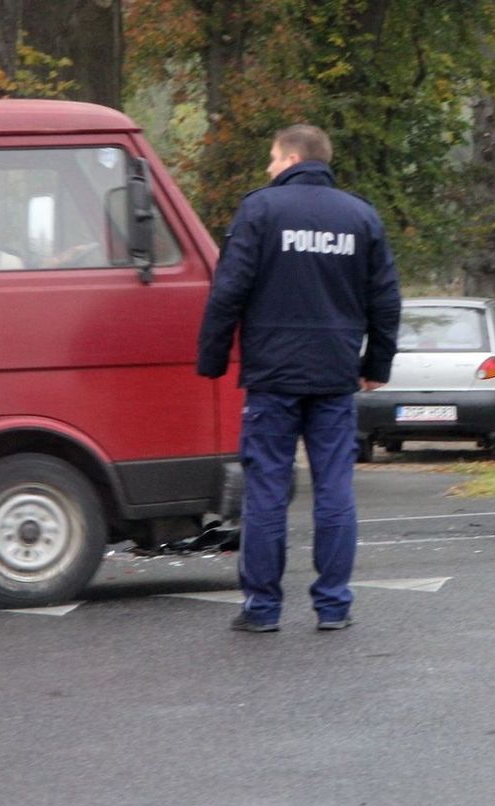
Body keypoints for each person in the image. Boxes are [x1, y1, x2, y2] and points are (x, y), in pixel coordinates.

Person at [197, 124, 401, 633]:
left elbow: (229, 291)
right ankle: (333, 607)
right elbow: (386, 298)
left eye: (271, 159)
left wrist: (213, 359)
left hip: (272, 376)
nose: (267, 168)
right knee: (334, 488)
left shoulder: (261, 211)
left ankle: (262, 609)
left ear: (291, 158)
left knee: (266, 489)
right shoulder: (360, 216)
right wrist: (375, 365)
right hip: (335, 377)